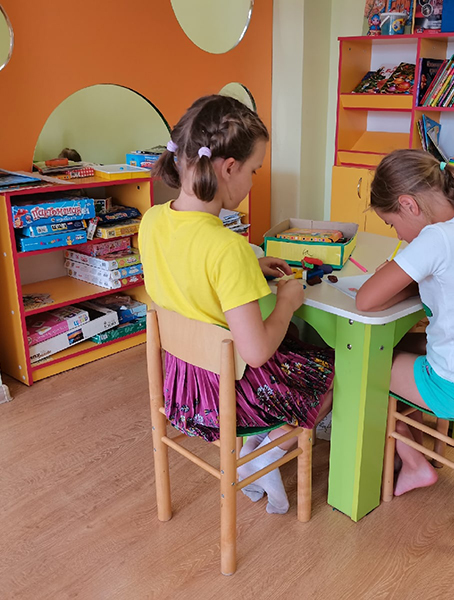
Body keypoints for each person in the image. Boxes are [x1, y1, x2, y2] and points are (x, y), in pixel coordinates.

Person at [140, 95, 334, 514]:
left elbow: (189, 274)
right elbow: (257, 351)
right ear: (229, 168)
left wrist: (251, 268)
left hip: (181, 387)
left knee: (295, 354)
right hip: (226, 396)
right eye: (254, 170)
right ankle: (264, 456)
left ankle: (258, 452)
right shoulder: (228, 249)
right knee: (331, 371)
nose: (253, 181)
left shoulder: (152, 219)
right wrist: (287, 301)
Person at [356, 149, 454, 496]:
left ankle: (414, 463)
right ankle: (411, 447)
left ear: (408, 205)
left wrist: (395, 276)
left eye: (392, 223)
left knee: (364, 358)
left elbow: (365, 300)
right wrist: (407, 277)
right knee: (400, 346)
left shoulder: (437, 238)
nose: (398, 235)